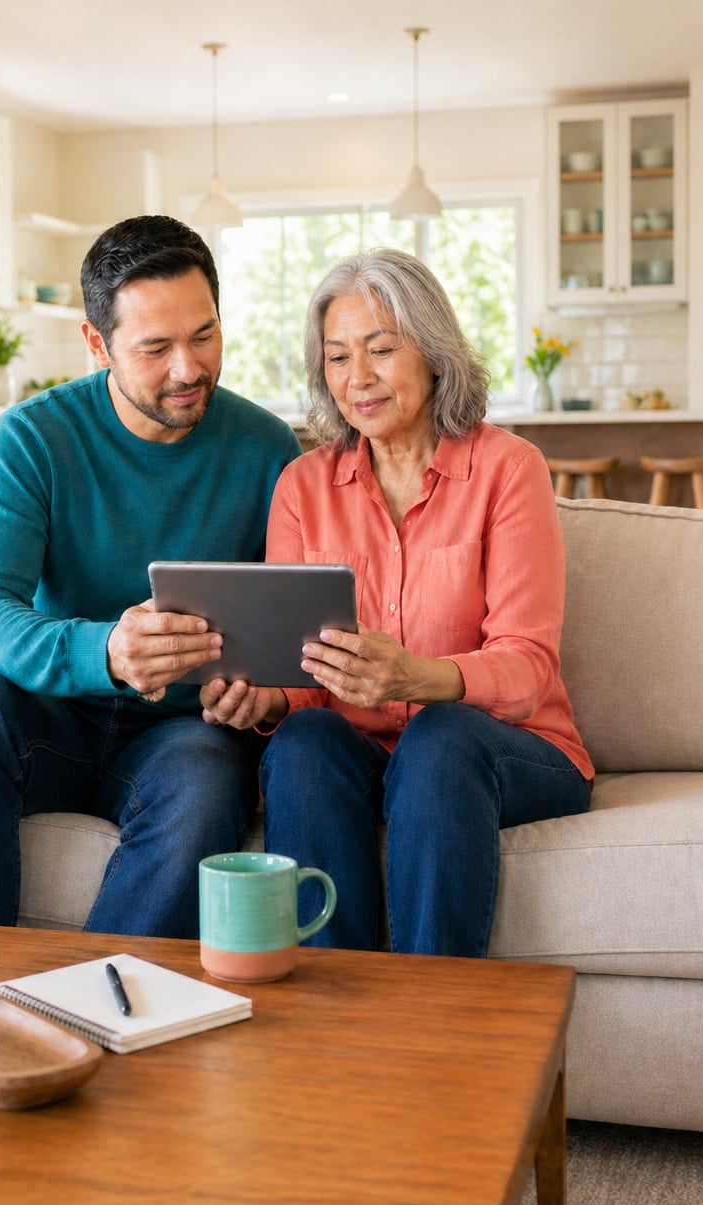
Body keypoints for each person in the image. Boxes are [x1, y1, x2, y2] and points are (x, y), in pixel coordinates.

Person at [0, 215, 301, 936]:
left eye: (204, 335)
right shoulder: (33, 438)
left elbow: (290, 626)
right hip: (48, 718)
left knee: (210, 779)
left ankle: (99, 1007)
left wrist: (264, 693)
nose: (188, 368)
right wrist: (106, 653)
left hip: (186, 731)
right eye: (155, 348)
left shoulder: (267, 449)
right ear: (97, 345)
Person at [200, 248, 594, 957]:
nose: (359, 378)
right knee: (301, 743)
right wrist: (263, 701)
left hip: (510, 750)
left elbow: (528, 665)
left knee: (440, 736)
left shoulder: (507, 469)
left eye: (381, 349)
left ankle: (431, 1010)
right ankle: (335, 1008)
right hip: (363, 752)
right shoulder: (302, 486)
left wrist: (415, 677)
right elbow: (303, 682)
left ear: (434, 354)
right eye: (338, 357)